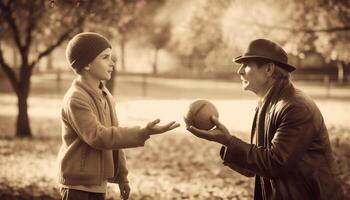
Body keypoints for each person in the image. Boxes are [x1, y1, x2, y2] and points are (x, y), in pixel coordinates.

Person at [187, 39, 344, 199]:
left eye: (246, 65)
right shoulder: (267, 103)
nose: (240, 71)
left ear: (269, 69)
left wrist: (229, 141)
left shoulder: (296, 107)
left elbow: (275, 164)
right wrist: (225, 142)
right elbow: (255, 167)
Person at [57, 32, 180, 200]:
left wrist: (122, 176)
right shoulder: (76, 98)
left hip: (99, 186)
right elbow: (99, 137)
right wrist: (143, 131)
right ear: (86, 64)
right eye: (105, 57)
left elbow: (115, 137)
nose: (112, 62)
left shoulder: (105, 94)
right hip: (77, 188)